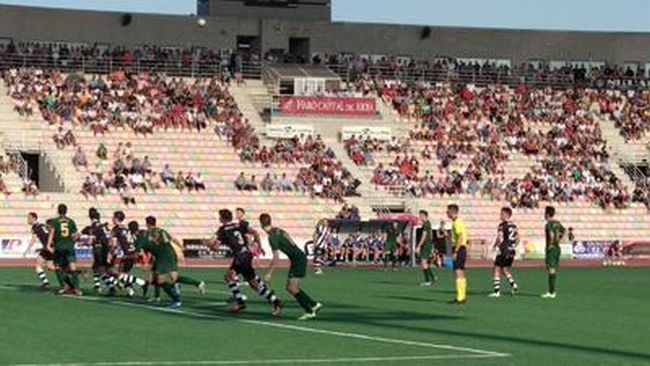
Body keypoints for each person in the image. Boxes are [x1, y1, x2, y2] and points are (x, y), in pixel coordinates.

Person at [207, 209, 282, 315]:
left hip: (241, 258)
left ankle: (275, 301)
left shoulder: (223, 229)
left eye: (219, 217)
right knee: (229, 277)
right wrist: (258, 245)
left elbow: (214, 244)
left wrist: (208, 244)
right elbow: (255, 232)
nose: (219, 218)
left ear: (222, 218)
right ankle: (240, 302)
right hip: (245, 254)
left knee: (253, 284)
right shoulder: (239, 225)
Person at [260, 213, 323, 320]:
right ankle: (313, 304)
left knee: (291, 287)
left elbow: (276, 257)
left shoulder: (272, 237)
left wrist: (269, 274)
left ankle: (309, 311)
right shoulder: (278, 230)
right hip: (299, 257)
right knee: (293, 287)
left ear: (261, 224)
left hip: (298, 259)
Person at [130, 217, 183, 308]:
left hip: (162, 257)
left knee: (160, 280)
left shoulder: (141, 237)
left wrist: (126, 257)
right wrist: (181, 247)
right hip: (168, 254)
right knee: (160, 278)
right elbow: (172, 239)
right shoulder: (158, 231)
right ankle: (173, 290)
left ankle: (176, 298)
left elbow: (137, 254)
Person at [47, 204, 82, 295]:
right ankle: (77, 289)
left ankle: (63, 287)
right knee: (73, 267)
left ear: (58, 211)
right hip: (69, 246)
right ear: (66, 211)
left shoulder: (54, 221)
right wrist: (72, 241)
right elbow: (74, 235)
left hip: (59, 247)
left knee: (58, 267)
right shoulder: (71, 221)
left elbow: (52, 232)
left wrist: (48, 245)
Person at [489, 207, 520, 298]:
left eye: (501, 214)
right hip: (511, 250)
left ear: (506, 214)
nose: (500, 215)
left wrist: (495, 246)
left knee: (496, 268)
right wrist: (513, 247)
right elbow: (518, 239)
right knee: (504, 269)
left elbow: (499, 238)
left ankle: (496, 291)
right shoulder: (514, 226)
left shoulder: (502, 225)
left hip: (504, 249)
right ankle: (514, 285)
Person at [25, 212, 53, 289]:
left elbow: (33, 239)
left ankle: (72, 272)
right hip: (47, 248)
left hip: (48, 248)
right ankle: (46, 283)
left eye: (29, 218)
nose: (27, 220)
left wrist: (27, 249)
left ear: (33, 218)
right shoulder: (42, 225)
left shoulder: (35, 227)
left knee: (51, 267)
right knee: (40, 265)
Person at [542, 206, 565, 299]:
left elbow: (551, 235)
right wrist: (559, 241)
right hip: (557, 248)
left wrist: (551, 244)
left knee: (551, 269)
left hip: (551, 249)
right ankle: (551, 291)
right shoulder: (558, 223)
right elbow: (565, 231)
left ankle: (551, 292)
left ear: (547, 214)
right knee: (552, 269)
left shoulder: (548, 224)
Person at [447, 204, 467, 304]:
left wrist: (456, 251)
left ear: (453, 212)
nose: (447, 213)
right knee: (461, 272)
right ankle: (462, 296)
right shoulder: (458, 222)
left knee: (458, 271)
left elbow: (460, 237)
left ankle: (460, 297)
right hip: (462, 248)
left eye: (448, 212)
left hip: (459, 248)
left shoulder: (456, 223)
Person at [416, 210, 435, 286]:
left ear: (424, 215)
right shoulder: (428, 223)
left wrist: (418, 246)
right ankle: (432, 278)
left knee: (423, 262)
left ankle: (428, 280)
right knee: (425, 263)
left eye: (420, 215)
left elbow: (424, 236)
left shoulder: (426, 224)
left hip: (426, 245)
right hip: (428, 245)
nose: (419, 217)